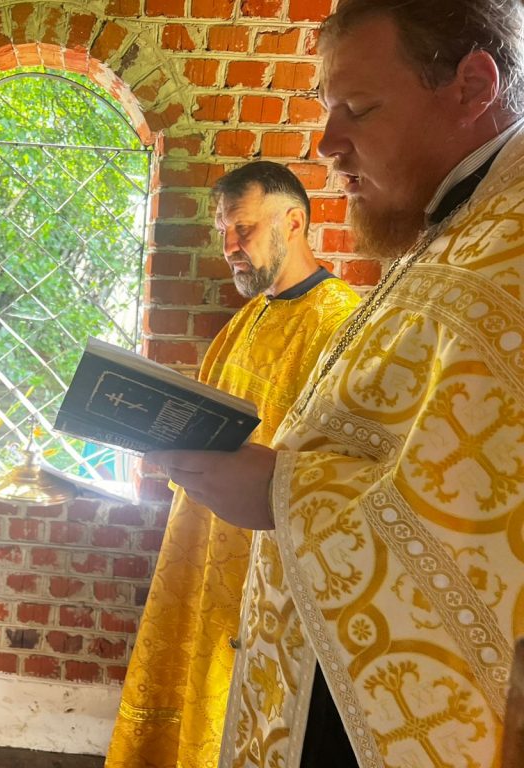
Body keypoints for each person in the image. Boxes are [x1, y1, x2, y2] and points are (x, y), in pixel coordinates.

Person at [148, 2, 524, 766]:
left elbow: (485, 524)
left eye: (359, 107)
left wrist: (278, 491)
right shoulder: (456, 231)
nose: (326, 143)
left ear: (473, 86)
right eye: (328, 106)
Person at [106, 162, 360, 768]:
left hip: (265, 564)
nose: (230, 247)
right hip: (204, 540)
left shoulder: (341, 324)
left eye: (242, 228)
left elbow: (333, 467)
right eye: (223, 232)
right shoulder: (250, 317)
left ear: (292, 221)